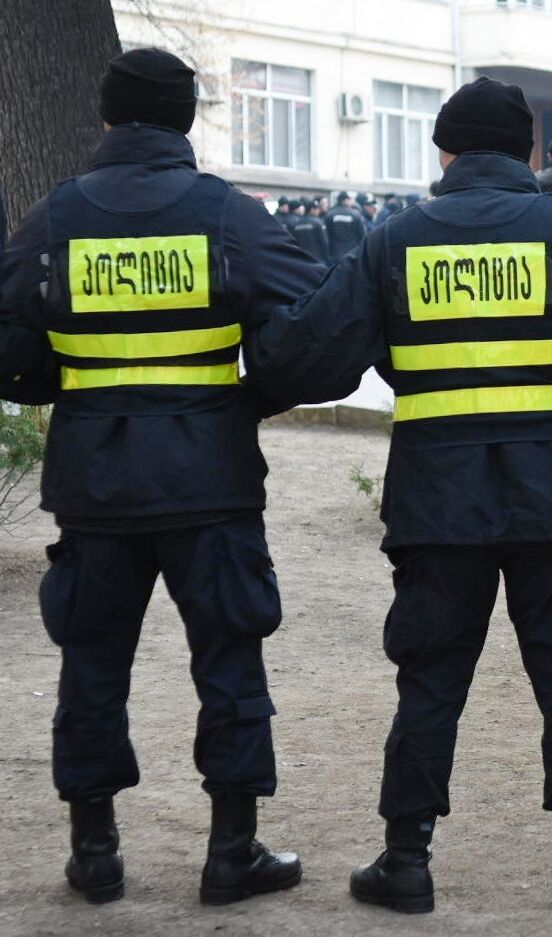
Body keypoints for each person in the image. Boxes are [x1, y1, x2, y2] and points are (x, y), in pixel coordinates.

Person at [243, 76, 552, 917]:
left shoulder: (393, 240)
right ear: (526, 153)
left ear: (443, 152)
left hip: (435, 498)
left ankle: (405, 859)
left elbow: (306, 358)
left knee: (429, 678)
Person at [0, 47, 324, 906]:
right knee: (229, 659)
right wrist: (251, 398)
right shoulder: (229, 214)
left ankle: (95, 854)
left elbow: (7, 338)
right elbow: (317, 324)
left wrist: (61, 383)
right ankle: (232, 852)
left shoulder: (55, 216)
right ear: (185, 119)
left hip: (94, 486)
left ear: (108, 116)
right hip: (209, 481)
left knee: (91, 664)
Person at [326, 190, 368, 261]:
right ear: (345, 200)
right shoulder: (356, 215)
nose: (352, 201)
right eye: (350, 199)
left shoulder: (330, 214)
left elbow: (326, 235)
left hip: (334, 253)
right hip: (351, 253)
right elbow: (363, 235)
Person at [290, 195, 330, 262]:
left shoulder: (295, 224)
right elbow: (324, 242)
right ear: (311, 210)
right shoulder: (318, 223)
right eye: (316, 209)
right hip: (316, 259)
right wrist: (327, 258)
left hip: (301, 258)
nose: (318, 211)